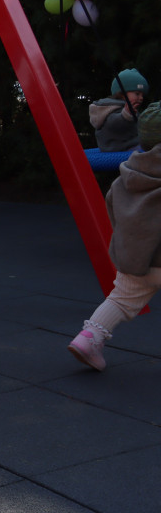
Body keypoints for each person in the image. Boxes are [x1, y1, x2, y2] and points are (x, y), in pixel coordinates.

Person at [68, 101, 161, 371]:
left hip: (137, 258)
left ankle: (89, 338)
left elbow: (114, 210)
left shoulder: (128, 174)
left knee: (120, 298)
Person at [90, 68, 149, 152]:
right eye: (137, 94)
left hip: (131, 144)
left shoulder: (129, 109)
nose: (141, 98)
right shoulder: (112, 108)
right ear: (121, 93)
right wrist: (126, 114)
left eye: (142, 95)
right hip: (118, 147)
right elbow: (112, 124)